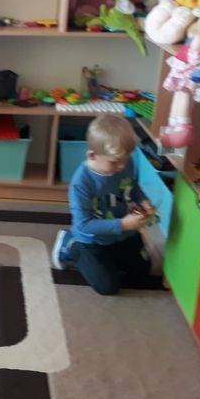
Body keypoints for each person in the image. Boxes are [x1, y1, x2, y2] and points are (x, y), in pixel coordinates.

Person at [52, 114, 155, 295]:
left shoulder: (125, 163)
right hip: (93, 240)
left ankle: (112, 257)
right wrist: (123, 224)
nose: (122, 166)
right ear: (92, 155)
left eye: (125, 159)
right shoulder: (81, 183)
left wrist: (142, 201)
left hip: (122, 234)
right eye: (115, 162)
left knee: (143, 272)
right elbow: (84, 224)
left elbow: (132, 187)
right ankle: (71, 245)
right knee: (108, 287)